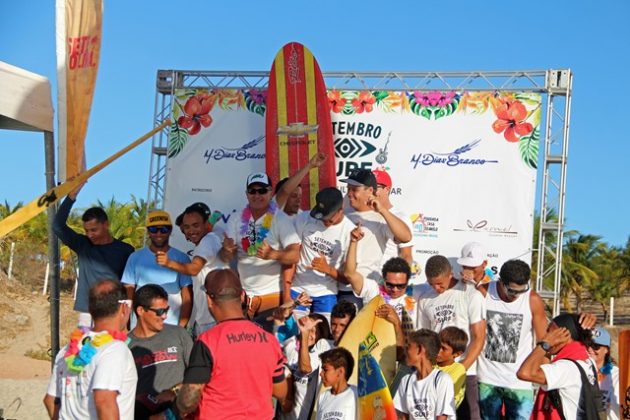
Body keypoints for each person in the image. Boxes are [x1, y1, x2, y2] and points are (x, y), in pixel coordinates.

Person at [176, 269, 289, 418]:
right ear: (242, 296)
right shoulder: (269, 339)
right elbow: (281, 392)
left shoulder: (208, 341)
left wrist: (175, 397)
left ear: (209, 300)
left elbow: (188, 401)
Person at [44, 280, 137, 419]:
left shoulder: (68, 349)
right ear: (124, 308)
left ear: (91, 309)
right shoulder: (114, 349)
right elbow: (104, 401)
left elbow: (50, 400)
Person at [219, 171, 303, 317]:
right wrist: (226, 250)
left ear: (270, 193)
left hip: (272, 297)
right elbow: (226, 257)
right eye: (252, 191)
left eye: (262, 191)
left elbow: (295, 255)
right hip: (244, 300)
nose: (257, 195)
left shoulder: (280, 218)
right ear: (247, 194)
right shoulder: (235, 219)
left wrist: (273, 254)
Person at [415, 255, 486, 420]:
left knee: (469, 416)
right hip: (436, 371)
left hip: (465, 371)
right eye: (432, 284)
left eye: (440, 283)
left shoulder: (470, 294)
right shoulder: (425, 298)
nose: (436, 288)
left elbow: (479, 337)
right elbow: (425, 337)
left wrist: (461, 368)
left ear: (450, 274)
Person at [475, 259, 548, 420]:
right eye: (512, 291)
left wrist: (546, 379)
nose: (517, 296)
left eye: (522, 291)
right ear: (501, 282)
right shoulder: (483, 293)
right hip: (487, 378)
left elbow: (543, 342)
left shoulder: (533, 300)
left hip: (520, 382)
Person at [52, 183, 134, 316]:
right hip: (87, 312)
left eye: (94, 230)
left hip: (114, 313)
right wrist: (71, 196)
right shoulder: (82, 245)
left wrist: (126, 312)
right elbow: (57, 226)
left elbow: (130, 284)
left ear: (106, 224)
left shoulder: (126, 250)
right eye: (87, 230)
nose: (90, 234)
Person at [340, 168, 412, 308]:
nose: (349, 194)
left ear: (370, 191)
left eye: (354, 189)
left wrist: (383, 211)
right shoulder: (342, 214)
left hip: (365, 293)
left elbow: (406, 237)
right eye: (348, 189)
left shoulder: (381, 219)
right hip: (337, 288)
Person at [157, 202, 227, 336]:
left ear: (207, 225)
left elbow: (194, 268)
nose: (191, 231)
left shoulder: (208, 240)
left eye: (196, 225)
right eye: (186, 228)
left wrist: (168, 263)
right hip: (208, 319)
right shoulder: (206, 241)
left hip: (213, 320)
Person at [517, 313, 602, 420]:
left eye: (550, 332)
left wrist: (545, 344)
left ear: (566, 335)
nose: (546, 336)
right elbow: (545, 367)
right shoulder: (587, 361)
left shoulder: (566, 368)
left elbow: (524, 373)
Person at [128, 284, 193, 419]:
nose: (164, 316)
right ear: (140, 310)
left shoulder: (179, 334)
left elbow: (198, 375)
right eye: (159, 311)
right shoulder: (125, 346)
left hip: (180, 412)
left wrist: (174, 392)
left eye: (166, 310)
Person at [291, 187, 356, 319]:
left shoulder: (350, 231)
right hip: (298, 289)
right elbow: (292, 255)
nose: (325, 221)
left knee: (325, 336)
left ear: (341, 209)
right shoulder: (304, 218)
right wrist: (287, 289)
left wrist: (327, 269)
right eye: (322, 217)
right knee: (291, 335)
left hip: (326, 293)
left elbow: (348, 279)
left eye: (329, 218)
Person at [122, 210, 193, 327]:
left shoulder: (182, 258)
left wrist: (181, 328)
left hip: (171, 327)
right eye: (154, 229)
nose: (158, 233)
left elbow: (187, 297)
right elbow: (128, 295)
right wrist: (126, 326)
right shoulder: (134, 257)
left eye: (163, 229)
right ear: (148, 231)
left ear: (170, 230)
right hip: (140, 327)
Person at [280, 314, 334, 420]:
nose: (309, 334)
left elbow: (305, 368)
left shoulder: (321, 354)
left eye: (313, 331)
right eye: (307, 329)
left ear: (322, 334)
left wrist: (305, 333)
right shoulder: (291, 350)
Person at [393, 329, 456, 420]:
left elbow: (442, 418)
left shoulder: (441, 380)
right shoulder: (406, 381)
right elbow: (403, 417)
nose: (405, 351)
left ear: (420, 350)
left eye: (409, 347)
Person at [372, 169, 414, 267]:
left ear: (387, 189)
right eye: (368, 187)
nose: (371, 191)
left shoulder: (400, 217)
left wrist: (394, 278)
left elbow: (406, 255)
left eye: (375, 187)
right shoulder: (362, 213)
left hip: (382, 279)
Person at [317, 347, 358, 420]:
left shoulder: (356, 394)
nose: (321, 373)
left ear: (340, 372)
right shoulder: (322, 398)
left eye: (325, 370)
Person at [589, 327, 620, 420]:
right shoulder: (578, 372)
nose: (590, 349)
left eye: (595, 346)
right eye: (587, 345)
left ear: (606, 350)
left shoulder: (618, 376)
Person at [436, 326, 468, 409]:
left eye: (443, 348)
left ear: (457, 354)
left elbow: (441, 393)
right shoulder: (430, 363)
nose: (438, 350)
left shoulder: (459, 369)